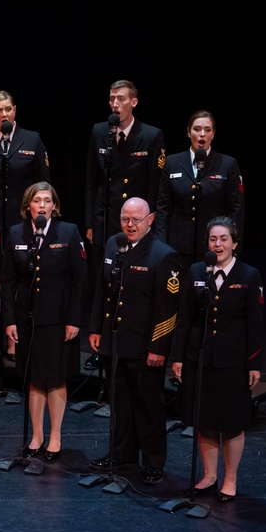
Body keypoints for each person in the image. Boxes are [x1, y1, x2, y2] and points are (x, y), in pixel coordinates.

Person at [88, 197, 182, 484]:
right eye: (125, 219)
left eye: (136, 220)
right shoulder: (113, 245)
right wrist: (96, 329)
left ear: (150, 220)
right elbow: (101, 291)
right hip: (115, 342)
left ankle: (153, 461)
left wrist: (158, 347)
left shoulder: (163, 256)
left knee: (148, 406)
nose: (129, 225)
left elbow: (168, 310)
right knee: (120, 404)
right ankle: (122, 455)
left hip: (144, 346)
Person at [169, 217, 263, 503]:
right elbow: (184, 317)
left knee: (231, 422)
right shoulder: (198, 271)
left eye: (223, 239)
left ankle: (230, 479)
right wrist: (177, 357)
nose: (217, 244)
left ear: (234, 243)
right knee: (205, 420)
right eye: (213, 239)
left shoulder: (248, 275)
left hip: (233, 361)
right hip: (199, 358)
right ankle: (209, 476)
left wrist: (254, 363)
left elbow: (255, 323)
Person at [83, 80, 165, 371]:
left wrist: (152, 224)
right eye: (111, 98)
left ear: (134, 102)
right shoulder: (100, 131)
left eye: (120, 98)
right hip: (107, 220)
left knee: (132, 285)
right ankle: (101, 345)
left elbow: (155, 187)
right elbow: (92, 181)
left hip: (136, 222)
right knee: (102, 283)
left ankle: (129, 345)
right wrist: (91, 222)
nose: (115, 104)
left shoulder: (151, 136)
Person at [1, 183, 87, 460]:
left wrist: (74, 319)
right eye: (37, 200)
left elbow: (79, 280)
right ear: (29, 206)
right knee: (34, 379)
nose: (42, 205)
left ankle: (56, 438)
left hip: (58, 319)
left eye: (47, 200)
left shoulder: (68, 232)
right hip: (27, 318)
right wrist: (10, 320)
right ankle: (36, 436)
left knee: (54, 377)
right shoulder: (17, 232)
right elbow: (7, 281)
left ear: (54, 206)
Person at [0, 90, 51, 362]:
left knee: (16, 280)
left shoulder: (32, 139)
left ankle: (14, 338)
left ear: (15, 110)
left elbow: (43, 182)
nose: (5, 115)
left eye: (9, 109)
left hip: (21, 223)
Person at [154, 110, 244, 263]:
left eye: (207, 130)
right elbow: (163, 208)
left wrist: (234, 247)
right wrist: (161, 245)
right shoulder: (172, 162)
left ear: (213, 134)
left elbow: (236, 209)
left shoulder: (227, 164)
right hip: (177, 246)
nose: (202, 134)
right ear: (189, 132)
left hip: (213, 247)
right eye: (197, 129)